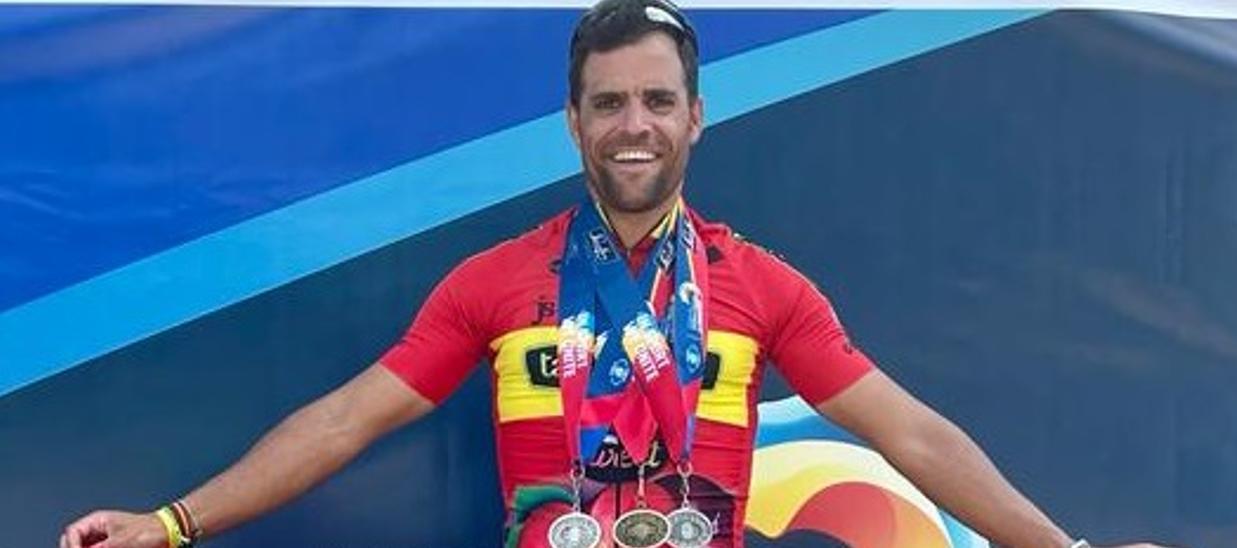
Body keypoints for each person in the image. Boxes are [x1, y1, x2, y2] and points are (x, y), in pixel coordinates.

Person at [61, 1, 1172, 547]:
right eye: (607, 103)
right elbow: (350, 416)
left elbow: (911, 433)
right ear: (573, 122)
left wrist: (1060, 546)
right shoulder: (492, 282)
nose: (631, 125)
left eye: (654, 101)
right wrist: (170, 522)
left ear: (695, 115)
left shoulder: (764, 286)